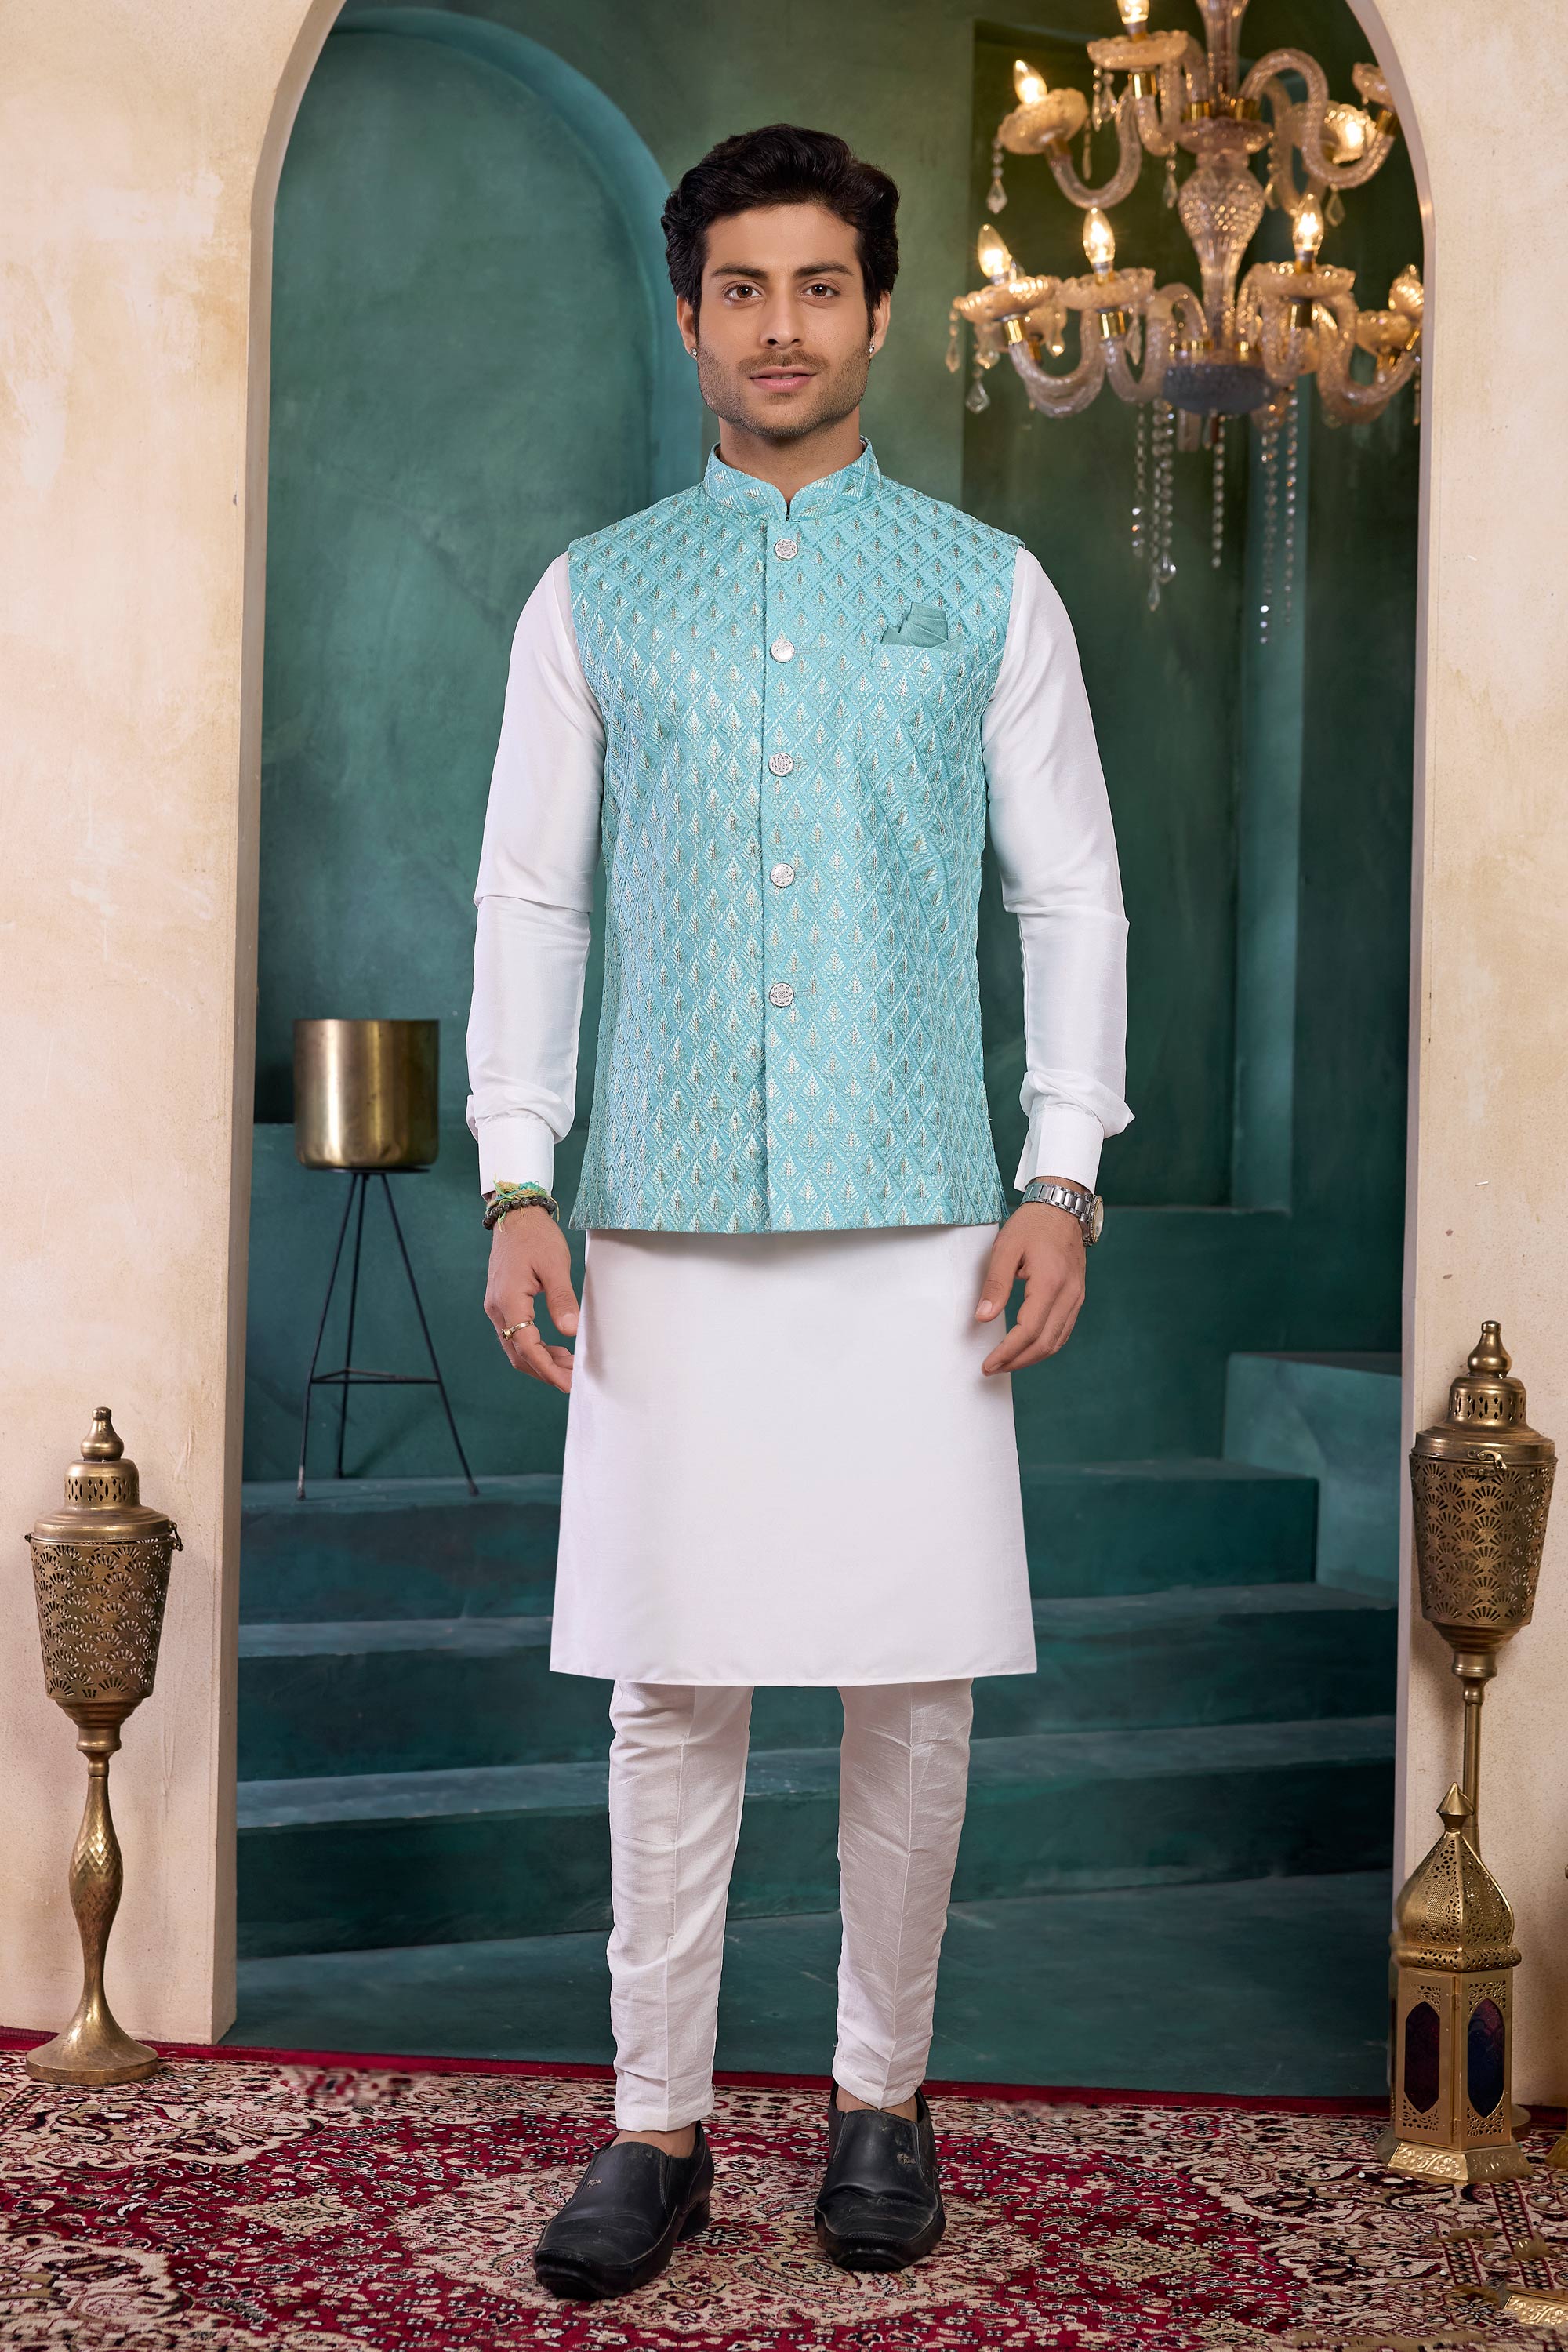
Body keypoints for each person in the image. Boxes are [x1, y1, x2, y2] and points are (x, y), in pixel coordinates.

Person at [464, 121, 1131, 2303]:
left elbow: (1071, 896)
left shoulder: (984, 589)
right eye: (740, 288)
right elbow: (533, 898)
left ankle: (879, 2106)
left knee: (906, 1681)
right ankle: (653, 2129)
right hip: (659, 1217)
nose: (779, 326)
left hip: (923, 1216)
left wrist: (1062, 1171)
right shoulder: (592, 596)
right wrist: (517, 1171)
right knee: (672, 1687)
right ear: (689, 320)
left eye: (817, 286)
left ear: (879, 312)